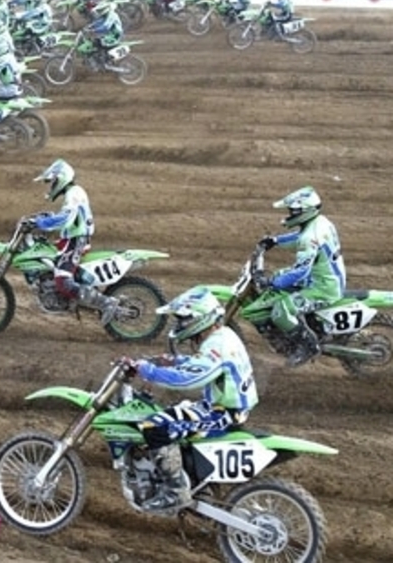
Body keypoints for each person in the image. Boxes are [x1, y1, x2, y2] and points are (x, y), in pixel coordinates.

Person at [132, 287, 258, 512]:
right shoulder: (223, 335)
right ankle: (192, 478)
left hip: (222, 414)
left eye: (184, 319)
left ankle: (176, 492)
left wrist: (149, 371)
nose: (180, 325)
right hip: (226, 409)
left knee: (154, 425)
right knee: (171, 413)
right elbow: (200, 363)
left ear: (200, 318)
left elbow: (187, 379)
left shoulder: (217, 345)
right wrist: (173, 360)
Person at [257, 186, 345, 366]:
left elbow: (300, 271)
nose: (290, 214)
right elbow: (300, 237)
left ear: (304, 211)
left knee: (281, 310)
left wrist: (273, 283)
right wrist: (275, 241)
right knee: (280, 273)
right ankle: (306, 323)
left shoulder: (310, 237)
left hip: (323, 287)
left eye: (293, 211)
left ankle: (308, 346)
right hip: (327, 277)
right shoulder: (321, 222)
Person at [30, 158, 120, 324]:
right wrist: (47, 217)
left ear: (61, 178)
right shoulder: (73, 192)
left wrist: (41, 223)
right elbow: (68, 215)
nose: (51, 185)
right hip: (71, 239)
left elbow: (66, 218)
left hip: (76, 240)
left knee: (63, 281)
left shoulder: (74, 193)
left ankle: (106, 303)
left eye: (53, 181)